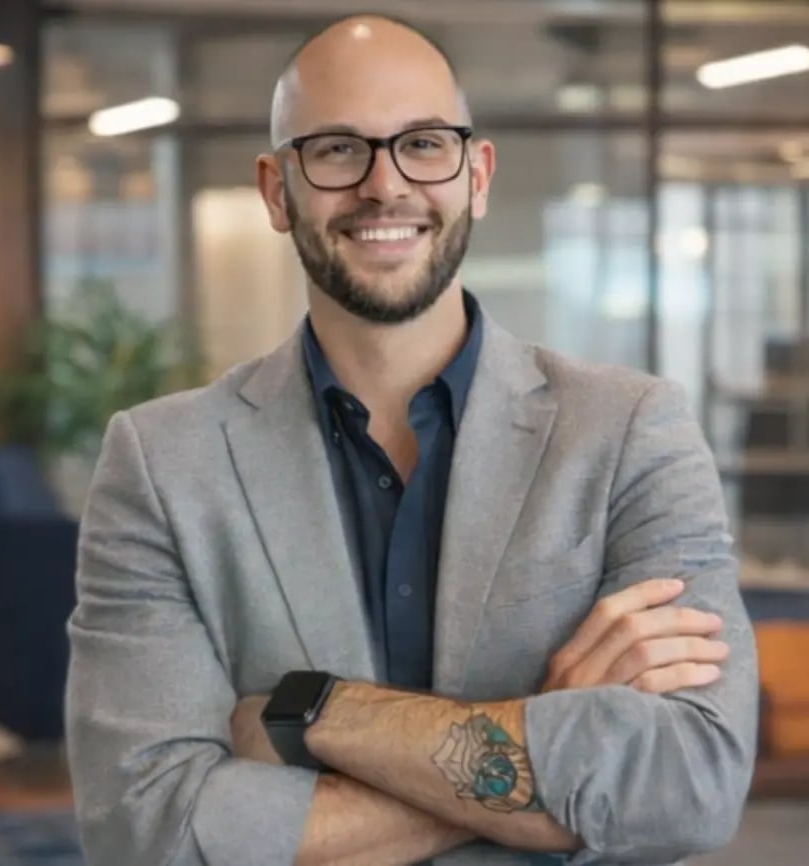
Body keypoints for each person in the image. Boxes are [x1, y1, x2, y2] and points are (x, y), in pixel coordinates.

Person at [65, 14, 758, 866]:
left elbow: (693, 781)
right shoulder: (161, 464)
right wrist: (548, 740)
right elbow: (145, 828)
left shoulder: (630, 430)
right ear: (277, 190)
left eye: (423, 144)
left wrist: (314, 715)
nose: (385, 186)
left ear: (477, 175)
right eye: (336, 149)